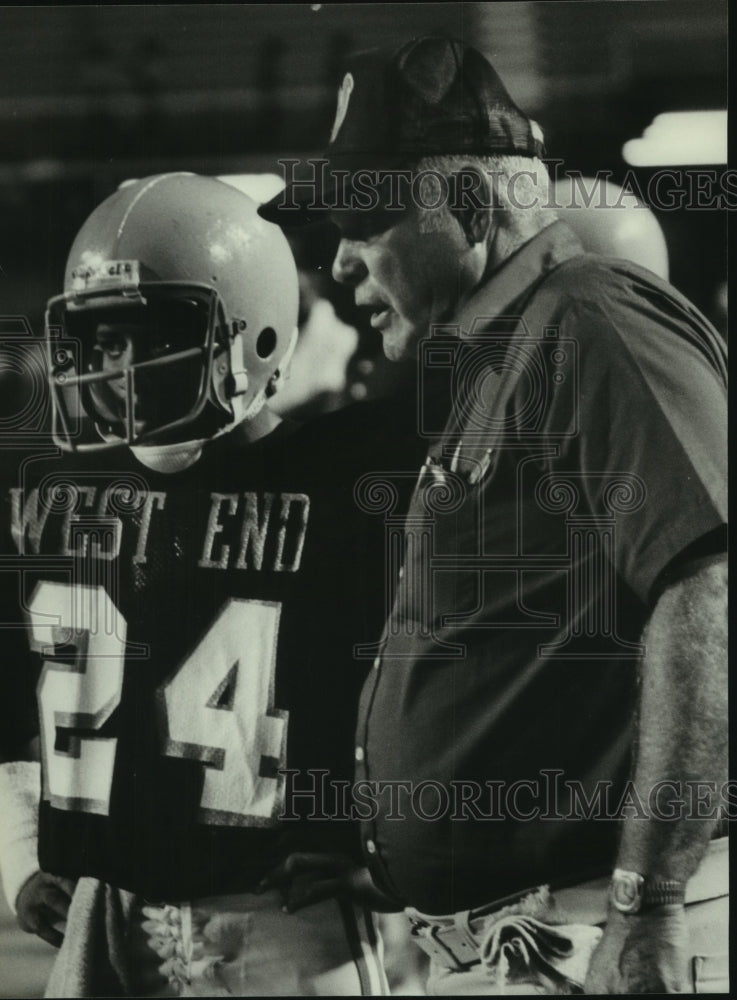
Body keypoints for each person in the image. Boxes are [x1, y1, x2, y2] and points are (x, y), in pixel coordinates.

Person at [260, 36, 728, 994]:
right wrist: (399, 863)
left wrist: (649, 906)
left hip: (591, 931)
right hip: (531, 932)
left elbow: (709, 590)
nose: (340, 262)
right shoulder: (508, 350)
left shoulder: (589, 317)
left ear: (469, 203)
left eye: (361, 215)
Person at [0, 172, 423, 996]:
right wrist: (21, 852)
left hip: (283, 924)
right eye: (99, 341)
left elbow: (440, 692)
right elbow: (13, 701)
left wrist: (397, 848)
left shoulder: (346, 480)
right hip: (106, 913)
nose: (117, 370)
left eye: (150, 337)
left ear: (254, 335)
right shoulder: (48, 494)